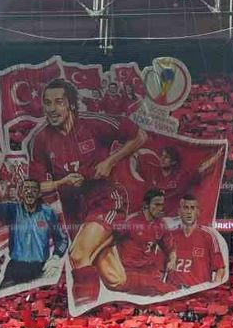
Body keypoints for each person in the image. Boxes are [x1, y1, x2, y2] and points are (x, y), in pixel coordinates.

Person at [25, 78, 148, 306]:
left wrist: (110, 161)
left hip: (106, 200)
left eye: (59, 102)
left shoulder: (94, 124)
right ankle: (154, 294)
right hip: (76, 213)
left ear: (71, 104)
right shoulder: (40, 140)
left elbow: (140, 136)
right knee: (116, 280)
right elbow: (35, 187)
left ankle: (83, 315)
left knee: (78, 255)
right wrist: (62, 182)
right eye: (47, 103)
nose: (52, 109)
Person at [0, 181, 67, 292]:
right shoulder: (13, 210)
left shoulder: (48, 213)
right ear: (21, 193)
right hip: (15, 268)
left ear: (39, 194)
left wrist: (56, 257)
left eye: (34, 189)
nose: (29, 192)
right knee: (3, 295)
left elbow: (62, 238)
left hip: (40, 268)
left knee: (41, 297)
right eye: (26, 189)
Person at [107, 189, 174, 295]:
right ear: (146, 205)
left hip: (149, 272)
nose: (160, 208)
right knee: (164, 290)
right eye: (156, 204)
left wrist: (172, 260)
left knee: (162, 290)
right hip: (130, 272)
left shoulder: (161, 225)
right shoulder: (130, 222)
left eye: (161, 205)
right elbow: (108, 240)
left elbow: (170, 249)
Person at [164, 196, 226, 289]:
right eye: (185, 208)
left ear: (198, 212)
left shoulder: (208, 236)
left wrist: (213, 287)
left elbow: (220, 269)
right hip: (174, 293)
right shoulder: (169, 235)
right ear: (179, 212)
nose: (189, 212)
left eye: (192, 208)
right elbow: (158, 268)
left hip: (198, 293)